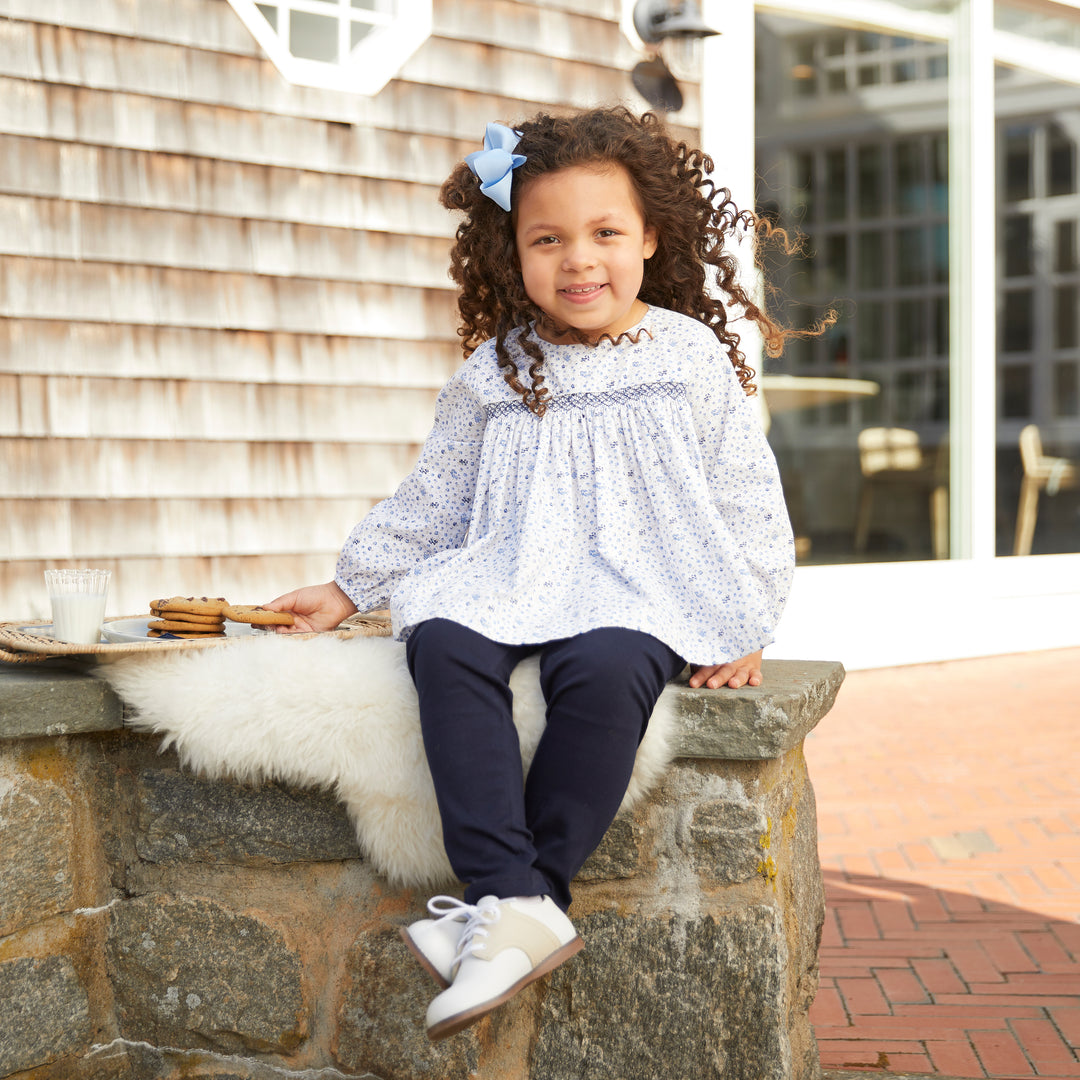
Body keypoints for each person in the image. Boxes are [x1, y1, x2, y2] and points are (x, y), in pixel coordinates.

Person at [266, 106, 814, 1042]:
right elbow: (436, 497)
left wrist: (746, 620)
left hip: (644, 585)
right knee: (442, 638)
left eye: (605, 234)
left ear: (650, 237)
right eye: (547, 239)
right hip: (512, 570)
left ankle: (509, 908)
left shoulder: (684, 359)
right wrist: (351, 585)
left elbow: (747, 496)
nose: (579, 260)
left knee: (604, 671)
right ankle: (510, 901)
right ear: (510, 252)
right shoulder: (498, 367)